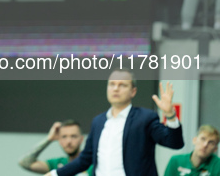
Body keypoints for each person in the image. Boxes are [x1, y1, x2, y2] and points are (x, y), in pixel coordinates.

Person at [44, 70, 184, 176]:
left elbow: (174, 143)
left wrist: (170, 115)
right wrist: (56, 174)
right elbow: (85, 159)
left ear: (133, 91)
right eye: (112, 84)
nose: (115, 88)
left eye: (122, 85)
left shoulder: (145, 118)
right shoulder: (98, 121)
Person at [19, 120, 93, 175]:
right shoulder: (57, 164)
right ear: (59, 140)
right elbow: (25, 163)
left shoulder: (92, 164)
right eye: (64, 137)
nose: (69, 141)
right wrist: (49, 139)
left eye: (73, 136)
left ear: (81, 139)